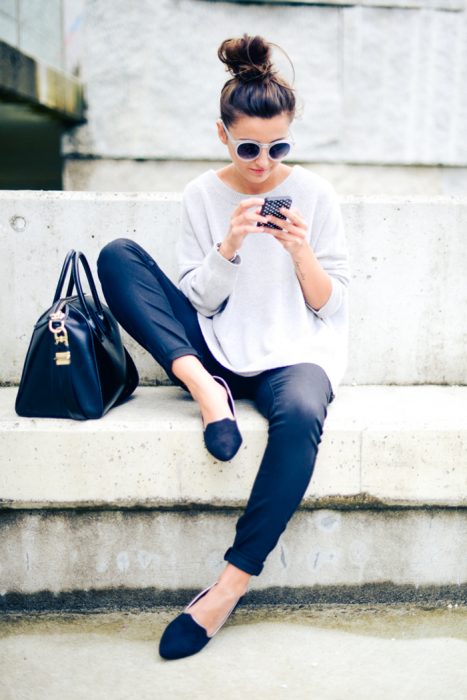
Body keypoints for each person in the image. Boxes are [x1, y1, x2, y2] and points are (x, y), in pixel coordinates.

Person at [97, 33, 350, 661]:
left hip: (293, 353)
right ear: (222, 136)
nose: (262, 162)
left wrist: (300, 252)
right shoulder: (201, 195)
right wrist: (230, 247)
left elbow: (332, 305)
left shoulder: (315, 195)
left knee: (299, 419)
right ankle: (206, 390)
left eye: (278, 146)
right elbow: (201, 301)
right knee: (116, 258)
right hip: (212, 348)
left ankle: (229, 586)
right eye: (247, 147)